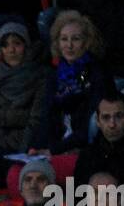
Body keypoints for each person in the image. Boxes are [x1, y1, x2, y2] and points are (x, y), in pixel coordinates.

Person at [0, 22, 50, 177]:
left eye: (17, 43)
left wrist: (20, 155)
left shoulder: (41, 75)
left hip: (25, 148)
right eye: (5, 45)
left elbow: (35, 121)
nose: (11, 50)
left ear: (26, 46)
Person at [31, 10, 109, 154]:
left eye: (76, 39)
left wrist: (54, 150)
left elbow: (88, 126)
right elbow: (47, 116)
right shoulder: (55, 75)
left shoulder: (93, 72)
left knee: (68, 176)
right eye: (64, 39)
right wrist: (37, 148)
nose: (69, 45)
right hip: (57, 146)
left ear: (86, 42)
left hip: (82, 148)